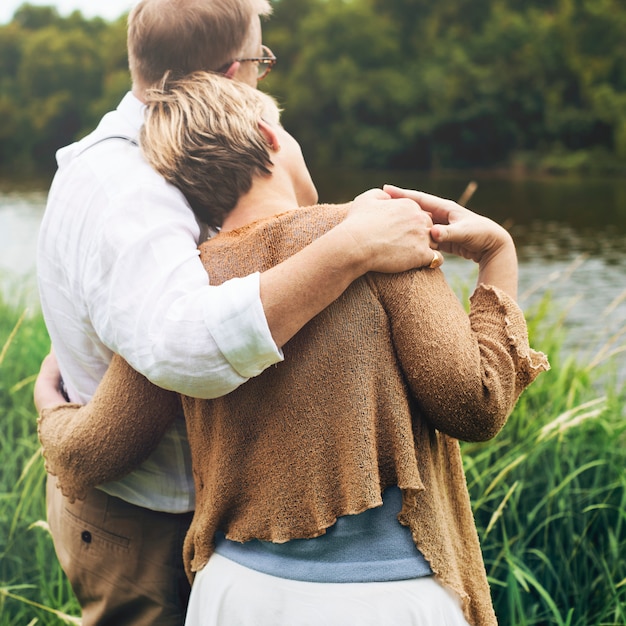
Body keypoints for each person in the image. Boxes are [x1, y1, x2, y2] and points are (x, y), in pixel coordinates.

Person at [37, 72, 549, 626]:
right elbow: (475, 406)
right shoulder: (383, 238)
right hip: (391, 599)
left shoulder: (187, 291)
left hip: (234, 597)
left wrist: (52, 405)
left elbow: (94, 452)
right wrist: (498, 256)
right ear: (269, 134)